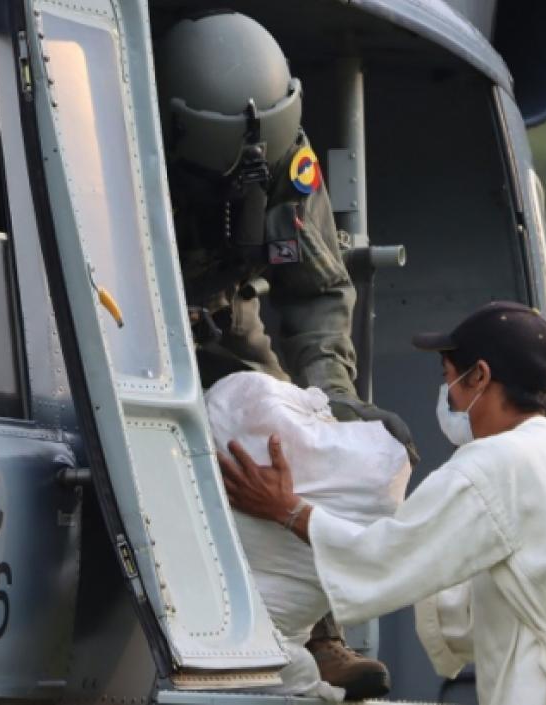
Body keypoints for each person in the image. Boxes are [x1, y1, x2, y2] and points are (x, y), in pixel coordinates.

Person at [219, 302, 546, 705]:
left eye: (449, 377)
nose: (445, 392)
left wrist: (288, 510)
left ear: (481, 378)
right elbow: (480, 602)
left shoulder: (494, 466)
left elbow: (384, 557)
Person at [155, 11, 412, 696]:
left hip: (222, 314)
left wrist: (329, 397)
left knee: (286, 439)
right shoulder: (123, 145)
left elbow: (320, 292)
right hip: (128, 322)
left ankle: (318, 636)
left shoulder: (283, 157)